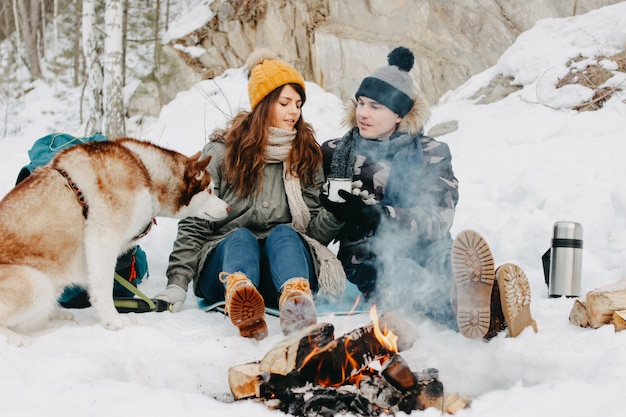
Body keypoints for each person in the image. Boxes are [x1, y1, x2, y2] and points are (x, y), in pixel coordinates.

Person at [320, 46, 536, 339]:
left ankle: (485, 298)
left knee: (447, 265)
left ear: (399, 114)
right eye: (360, 103)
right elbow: (310, 211)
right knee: (409, 278)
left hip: (429, 243)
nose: (363, 113)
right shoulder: (335, 152)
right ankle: (493, 314)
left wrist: (377, 216)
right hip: (367, 258)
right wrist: (330, 208)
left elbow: (439, 217)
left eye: (375, 106)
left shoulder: (432, 153)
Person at [153, 48, 345, 340]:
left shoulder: (306, 155)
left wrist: (334, 209)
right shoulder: (221, 153)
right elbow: (195, 222)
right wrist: (177, 283)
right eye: (285, 102)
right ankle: (242, 298)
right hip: (222, 268)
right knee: (240, 237)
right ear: (263, 104)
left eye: (298, 104)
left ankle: (296, 299)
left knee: (285, 234)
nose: (294, 111)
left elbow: (314, 234)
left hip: (284, 268)